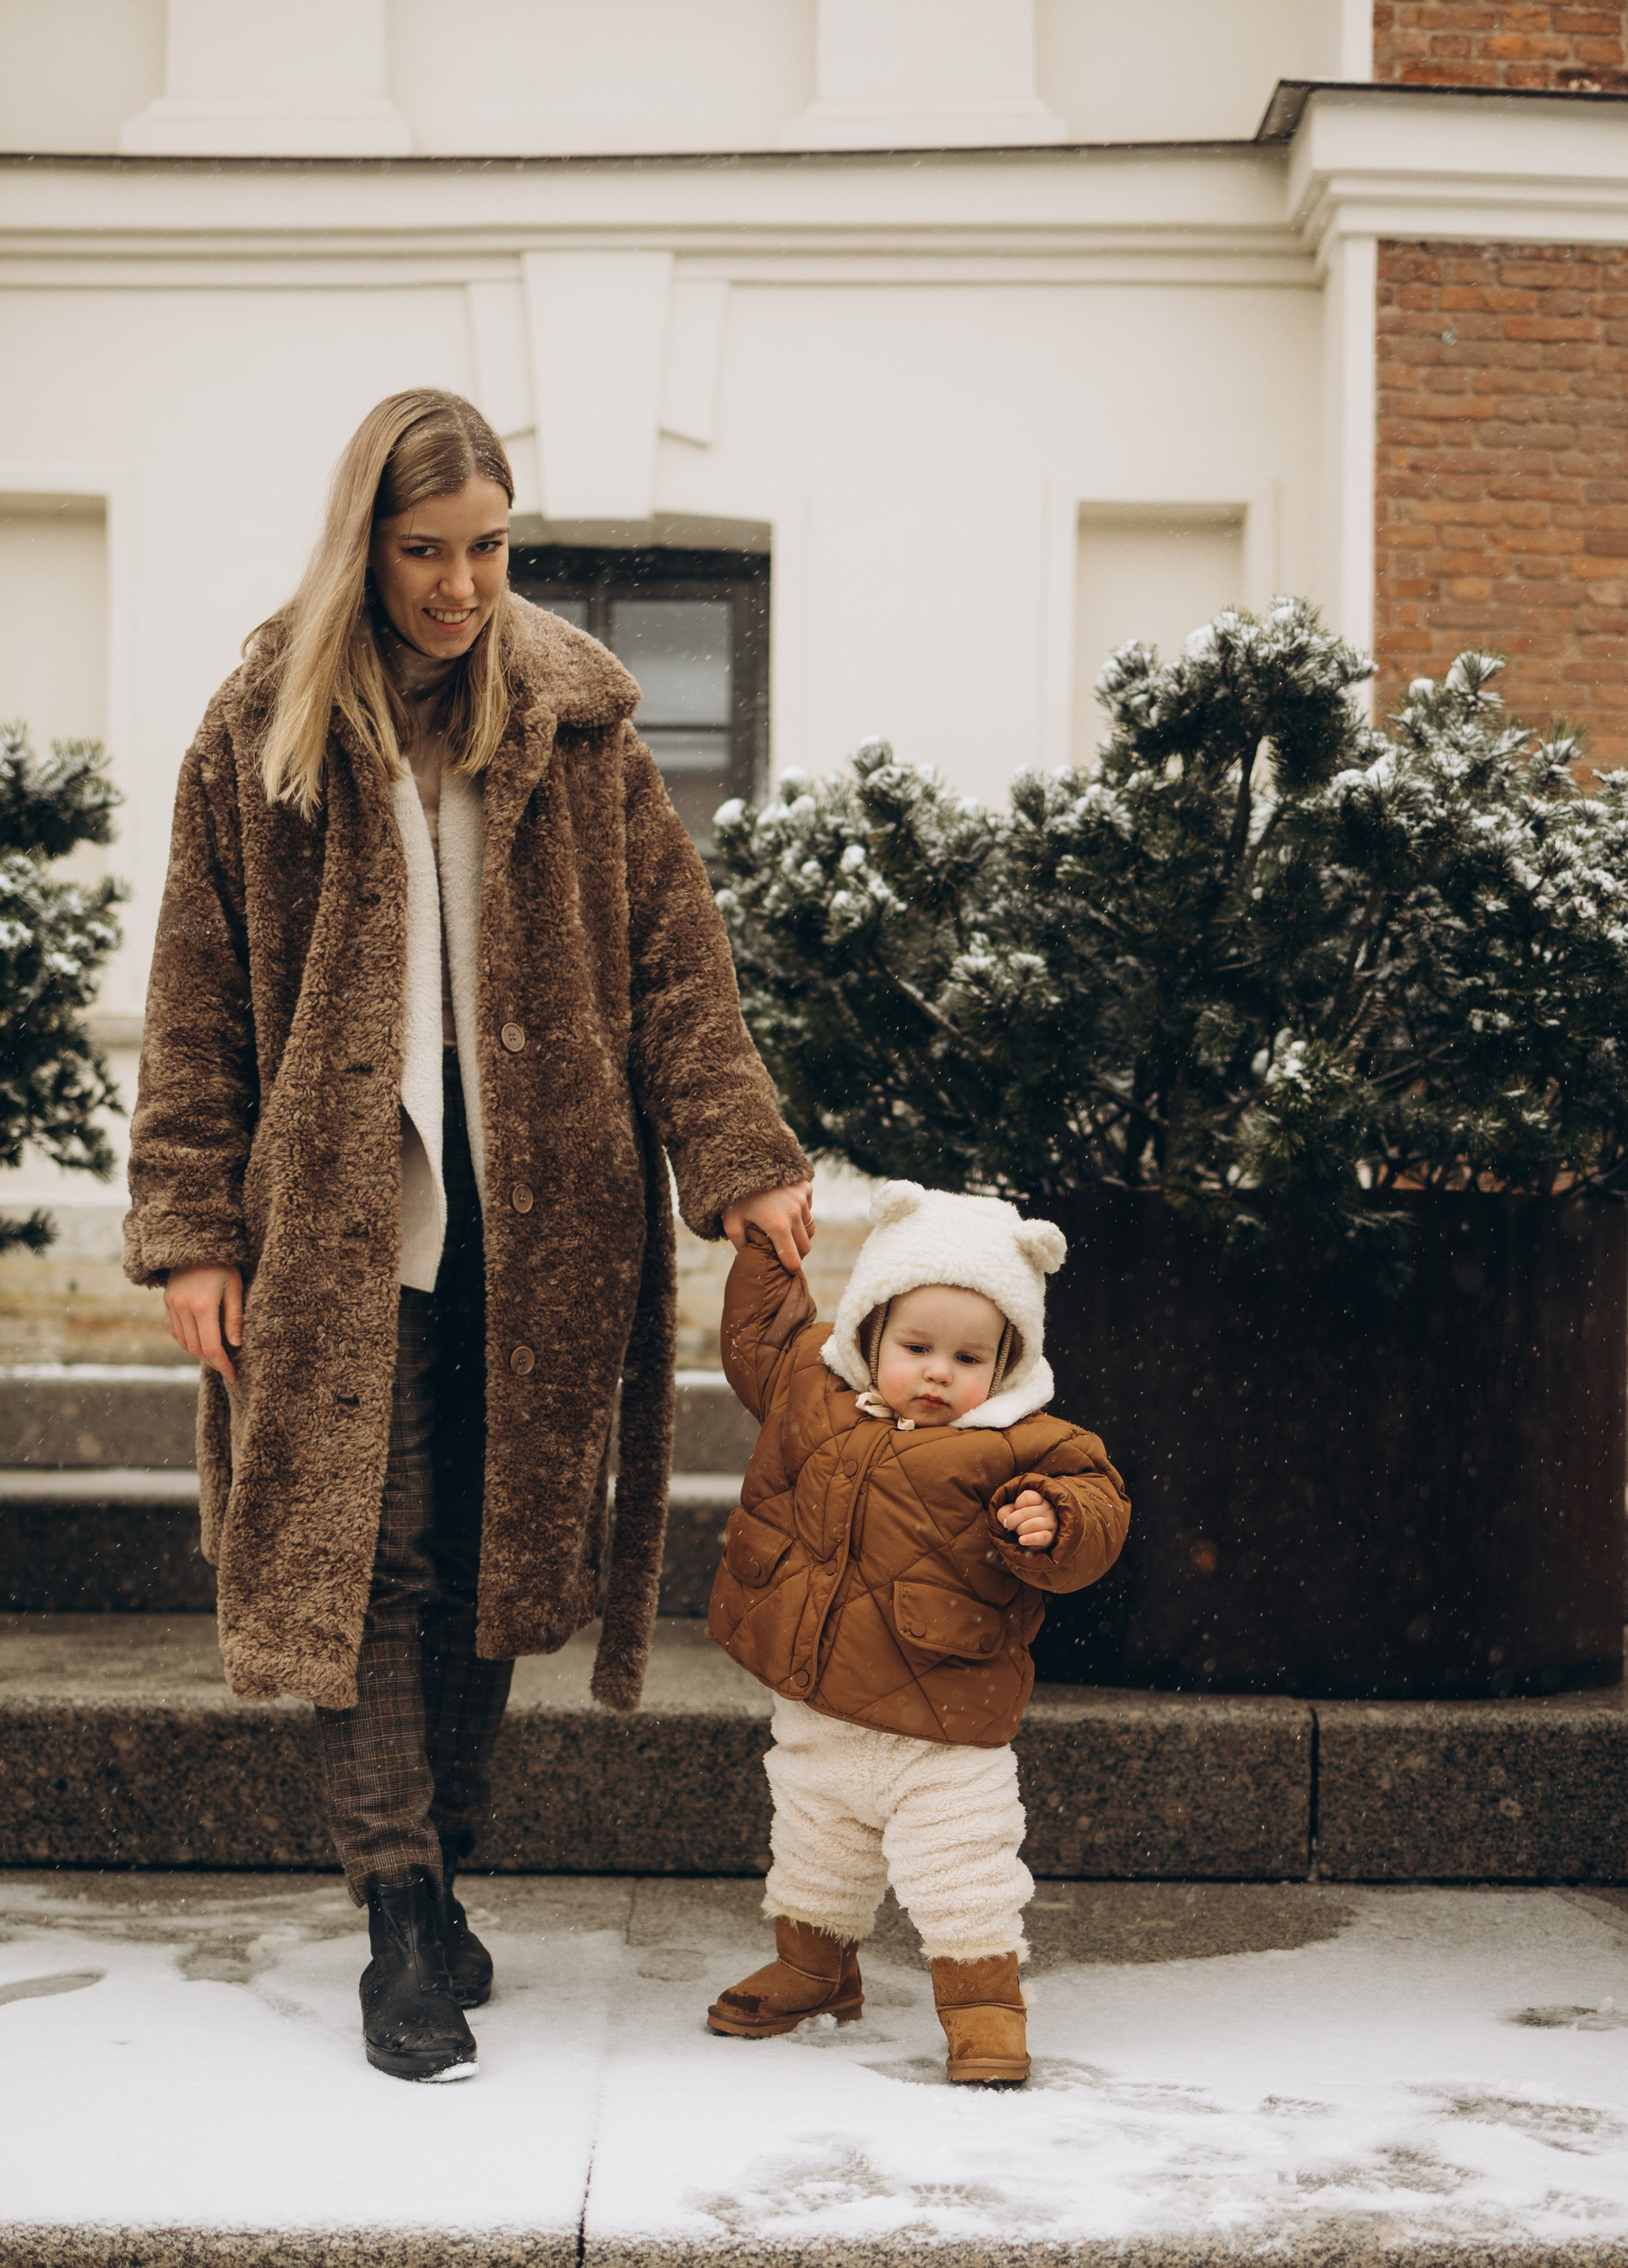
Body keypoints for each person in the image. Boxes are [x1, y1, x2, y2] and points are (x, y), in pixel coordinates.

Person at [124, 388, 811, 2084]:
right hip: (343, 1220)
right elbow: (197, 995)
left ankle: (440, 1877)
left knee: (496, 1558)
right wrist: (192, 1229)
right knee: (372, 1553)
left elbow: (671, 968)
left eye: (485, 549)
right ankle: (398, 1910)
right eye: (424, 552)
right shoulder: (259, 728)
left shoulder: (577, 732)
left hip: (542, 1212)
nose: (457, 586)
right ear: (365, 544)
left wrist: (740, 1155)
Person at [704, 1178, 1130, 2085]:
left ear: (1006, 1365)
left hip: (947, 1721)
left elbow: (1100, 1503)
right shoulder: (811, 1390)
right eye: (916, 1346)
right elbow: (763, 1338)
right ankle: (813, 1969)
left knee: (962, 1868)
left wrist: (1054, 1520)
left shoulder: (1026, 1444)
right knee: (815, 1840)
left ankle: (983, 2004)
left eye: (970, 1357)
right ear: (867, 1333)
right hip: (819, 1703)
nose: (939, 1372)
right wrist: (759, 1248)